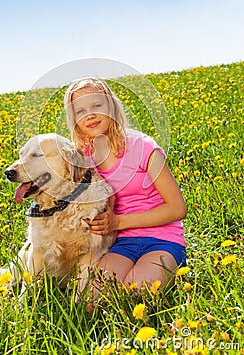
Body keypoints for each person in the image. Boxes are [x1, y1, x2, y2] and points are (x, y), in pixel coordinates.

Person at [64, 77, 187, 291]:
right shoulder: (82, 159)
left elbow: (177, 208)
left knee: (138, 292)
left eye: (96, 105)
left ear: (111, 106)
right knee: (89, 300)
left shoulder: (143, 147)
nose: (90, 114)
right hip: (119, 245)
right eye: (80, 111)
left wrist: (118, 222)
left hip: (162, 240)